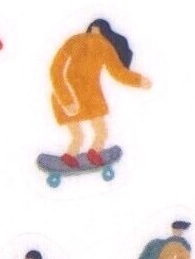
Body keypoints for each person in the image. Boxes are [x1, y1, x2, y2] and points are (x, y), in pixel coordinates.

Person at [48, 19, 150, 162]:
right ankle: (93, 152)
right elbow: (118, 72)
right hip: (89, 98)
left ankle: (70, 156)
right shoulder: (104, 45)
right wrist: (138, 80)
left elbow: (55, 69)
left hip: (69, 94)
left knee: (78, 136)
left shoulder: (75, 40)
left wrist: (66, 99)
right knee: (101, 133)